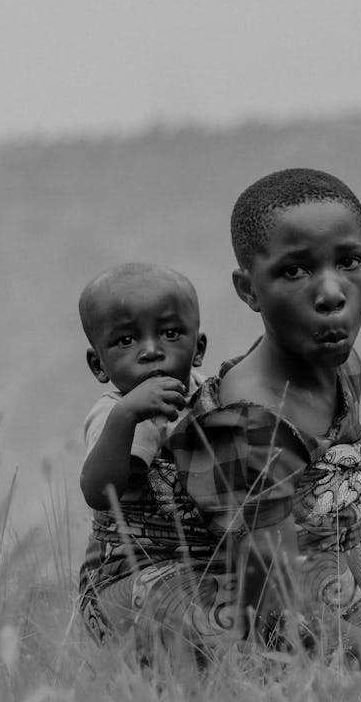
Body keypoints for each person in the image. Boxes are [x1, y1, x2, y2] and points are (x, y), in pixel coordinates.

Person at [169, 168, 361, 665]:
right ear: (248, 290)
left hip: (328, 597)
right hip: (237, 627)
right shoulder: (250, 423)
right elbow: (269, 608)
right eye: (295, 271)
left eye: (350, 261)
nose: (333, 292)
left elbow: (338, 521)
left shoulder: (343, 369)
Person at [77, 262, 241, 665]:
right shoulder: (114, 413)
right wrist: (125, 420)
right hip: (129, 574)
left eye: (170, 334)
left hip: (210, 566)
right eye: (126, 340)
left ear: (198, 347)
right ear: (99, 365)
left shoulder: (214, 396)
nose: (151, 350)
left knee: (282, 602)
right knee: (184, 616)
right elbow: (99, 493)